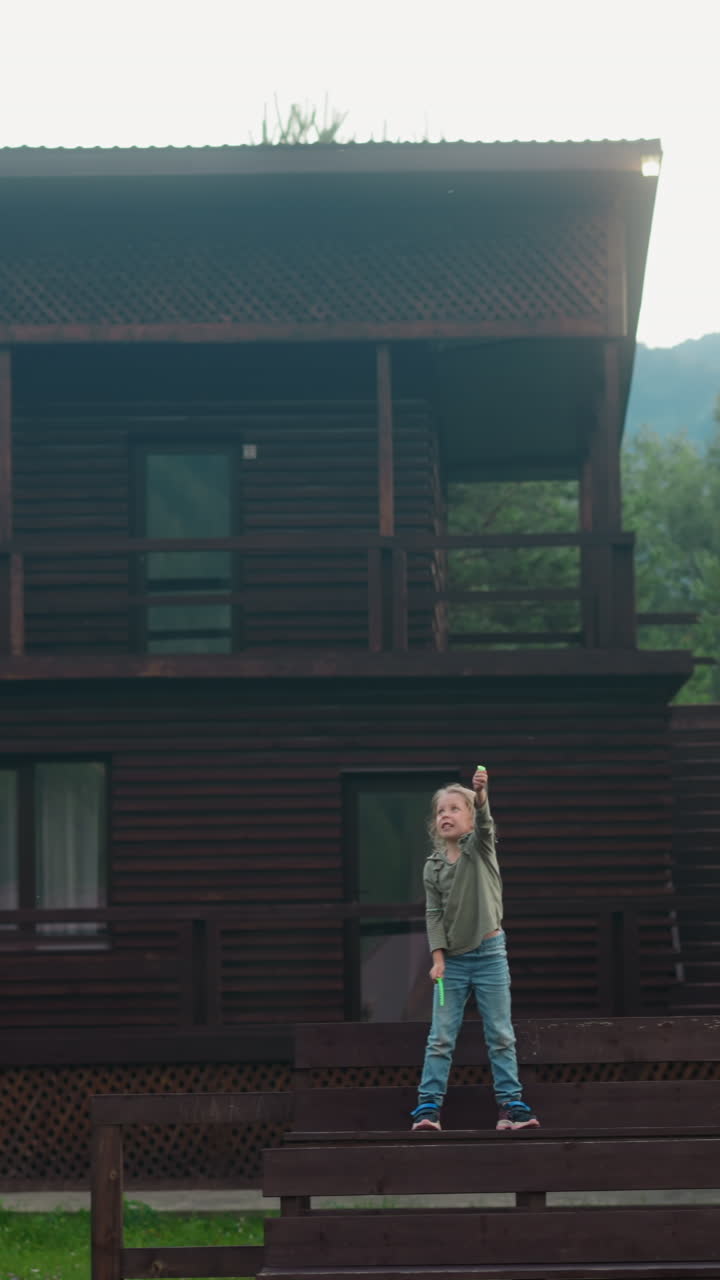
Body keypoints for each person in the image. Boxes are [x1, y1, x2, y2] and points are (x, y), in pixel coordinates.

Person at [410, 768, 539, 1132]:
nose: (446, 815)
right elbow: (433, 915)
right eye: (441, 811)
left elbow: (485, 823)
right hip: (452, 962)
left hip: (490, 956)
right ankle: (427, 1109)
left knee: (500, 1034)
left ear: (470, 818)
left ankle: (511, 1107)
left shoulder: (480, 849)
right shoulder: (432, 868)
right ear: (435, 824)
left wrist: (481, 796)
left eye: (455, 808)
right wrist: (437, 959)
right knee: (440, 1038)